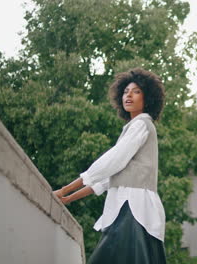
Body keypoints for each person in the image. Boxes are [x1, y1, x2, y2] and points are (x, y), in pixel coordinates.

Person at [53, 68, 167, 264]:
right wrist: (68, 198)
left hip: (133, 207)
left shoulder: (141, 124)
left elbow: (113, 161)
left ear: (147, 99)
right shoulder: (134, 128)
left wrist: (64, 189)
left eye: (136, 91)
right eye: (125, 91)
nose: (129, 95)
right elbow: (104, 181)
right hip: (129, 207)